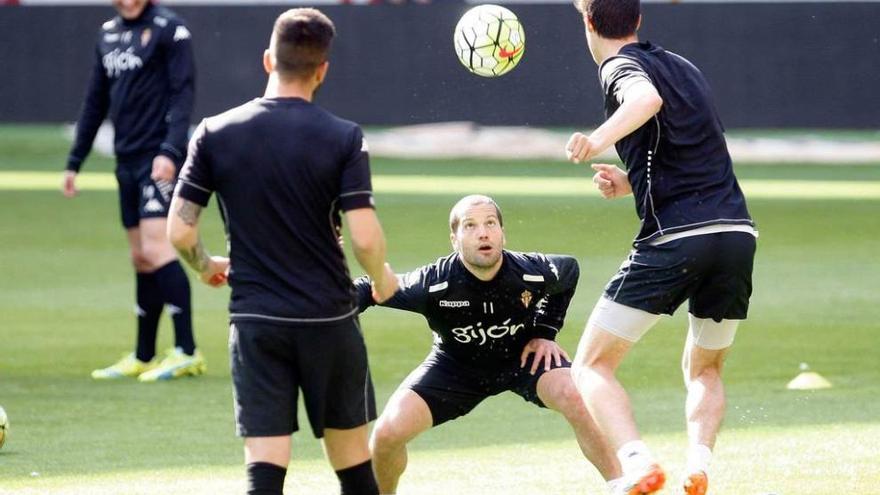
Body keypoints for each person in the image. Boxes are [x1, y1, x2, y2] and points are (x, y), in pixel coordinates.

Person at [167, 8, 398, 495]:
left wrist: (208, 267)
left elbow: (180, 232)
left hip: (256, 320)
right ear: (323, 69)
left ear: (269, 60)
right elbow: (363, 237)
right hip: (328, 320)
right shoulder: (343, 137)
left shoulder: (214, 132)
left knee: (265, 472)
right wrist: (380, 280)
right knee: (355, 467)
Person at [566, 1, 758, 494]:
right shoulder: (684, 67)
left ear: (588, 22)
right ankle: (698, 467)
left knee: (590, 366)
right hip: (735, 233)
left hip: (677, 237)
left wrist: (597, 140)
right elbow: (696, 153)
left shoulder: (619, 66)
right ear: (638, 19)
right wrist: (631, 182)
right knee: (705, 367)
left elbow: (644, 101)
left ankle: (637, 463)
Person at [354, 194, 624, 494]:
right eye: (470, 225)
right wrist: (328, 310)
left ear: (502, 233)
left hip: (523, 359)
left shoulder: (530, 270)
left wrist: (545, 332)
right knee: (386, 435)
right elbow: (368, 288)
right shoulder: (432, 283)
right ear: (454, 239)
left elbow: (569, 270)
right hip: (455, 368)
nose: (483, 232)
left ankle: (621, 485)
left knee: (577, 396)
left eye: (490, 223)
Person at [62, 0, 203, 381]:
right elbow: (95, 101)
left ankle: (186, 350)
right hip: (126, 160)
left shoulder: (169, 29)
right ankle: (143, 354)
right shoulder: (107, 34)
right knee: (141, 256)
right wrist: (75, 160)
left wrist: (171, 151)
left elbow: (182, 94)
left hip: (158, 157)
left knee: (158, 248)